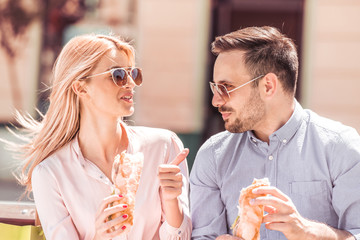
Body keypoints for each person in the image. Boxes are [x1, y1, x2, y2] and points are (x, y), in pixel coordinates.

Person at [7, 34, 192, 239]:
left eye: (134, 73)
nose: (131, 83)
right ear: (81, 87)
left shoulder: (164, 146)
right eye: (118, 75)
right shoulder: (50, 173)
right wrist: (98, 236)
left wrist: (172, 201)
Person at [190, 26, 360, 240]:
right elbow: (202, 236)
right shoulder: (212, 156)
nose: (216, 100)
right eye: (215, 88)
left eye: (226, 87)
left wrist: (308, 232)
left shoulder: (340, 147)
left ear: (268, 86)